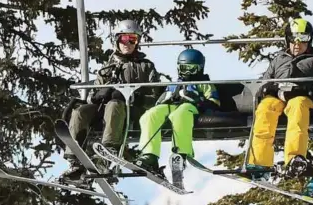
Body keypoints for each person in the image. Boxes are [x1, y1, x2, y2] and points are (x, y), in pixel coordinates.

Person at [61, 20, 161, 181]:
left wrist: (135, 96)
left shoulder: (146, 67)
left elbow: (156, 96)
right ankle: (74, 160)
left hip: (132, 109)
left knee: (115, 104)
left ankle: (108, 152)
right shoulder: (107, 68)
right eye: (123, 39)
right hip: (105, 110)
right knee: (81, 111)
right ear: (117, 40)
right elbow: (96, 92)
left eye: (132, 39)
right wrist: (101, 94)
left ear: (138, 42)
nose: (127, 43)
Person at [246, 18, 313, 200]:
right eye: (293, 39)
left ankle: (295, 158)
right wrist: (277, 92)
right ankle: (260, 163)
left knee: (298, 105)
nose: (297, 44)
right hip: (278, 98)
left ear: (309, 40)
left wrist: (306, 93)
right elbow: (264, 83)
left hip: (304, 99)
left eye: (303, 39)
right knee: (265, 107)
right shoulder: (279, 59)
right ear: (287, 39)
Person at [134, 49, 219, 177]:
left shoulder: (203, 83)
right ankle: (149, 155)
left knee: (180, 114)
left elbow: (214, 102)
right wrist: (165, 99)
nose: (188, 72)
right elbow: (161, 99)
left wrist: (197, 101)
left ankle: (180, 153)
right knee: (150, 115)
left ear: (200, 69)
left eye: (192, 69)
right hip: (171, 106)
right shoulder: (174, 84)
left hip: (190, 108)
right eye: (184, 68)